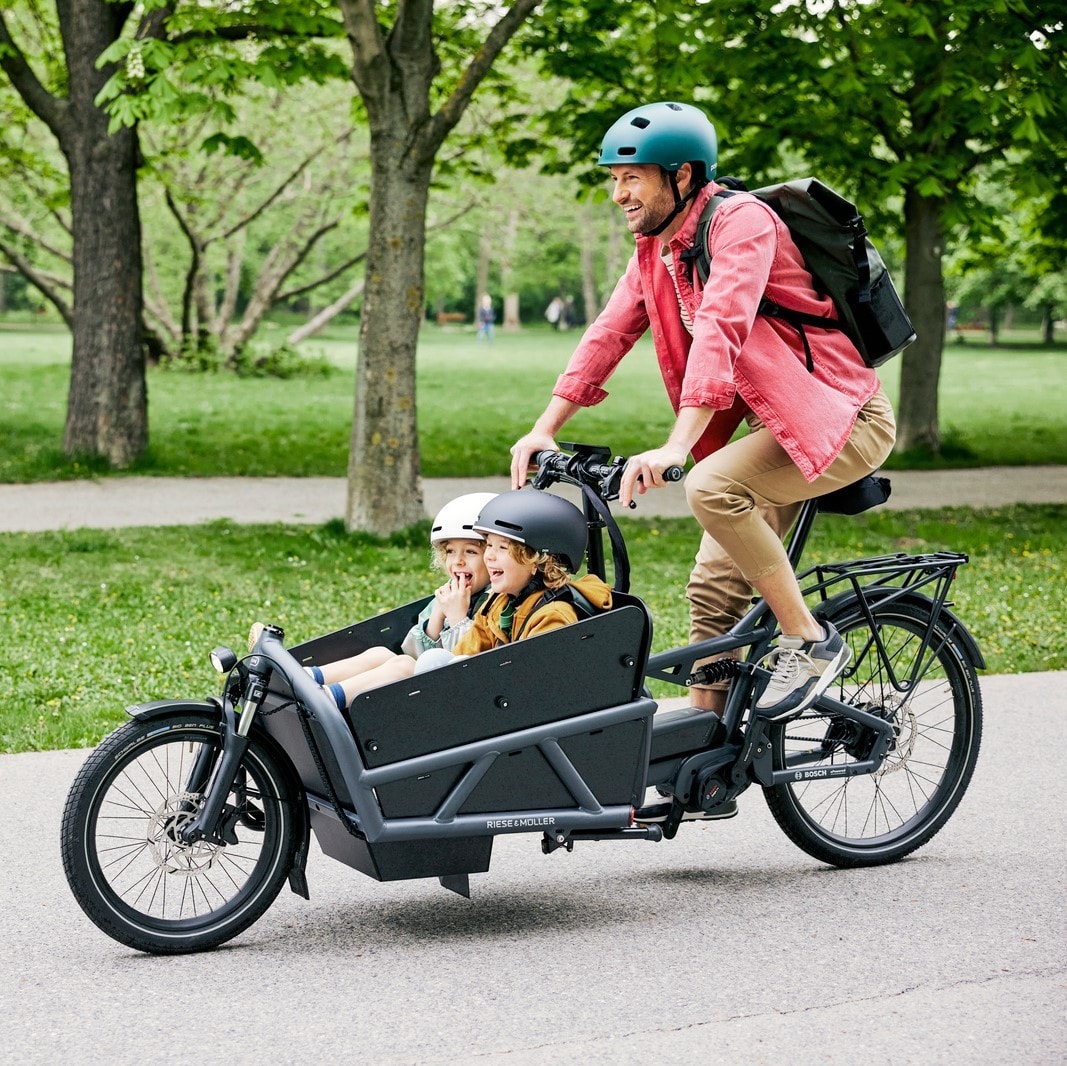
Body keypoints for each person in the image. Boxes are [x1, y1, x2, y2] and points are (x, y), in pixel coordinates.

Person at [510, 101, 896, 720]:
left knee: (712, 487)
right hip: (774, 427)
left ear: (682, 175)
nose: (619, 194)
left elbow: (722, 329)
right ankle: (702, 748)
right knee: (712, 592)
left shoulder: (743, 223)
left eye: (632, 177)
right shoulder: (656, 250)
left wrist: (677, 446)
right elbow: (609, 333)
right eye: (613, 178)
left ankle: (812, 643)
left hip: (843, 418)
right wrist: (544, 428)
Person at [250, 493, 496, 711]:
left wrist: (457, 619)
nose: (458, 561)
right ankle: (302, 678)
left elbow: (465, 664)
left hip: (452, 700)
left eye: (471, 552)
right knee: (381, 653)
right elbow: (415, 652)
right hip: (428, 682)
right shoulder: (447, 596)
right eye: (451, 552)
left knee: (403, 666)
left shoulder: (492, 602)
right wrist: (437, 617)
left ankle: (324, 700)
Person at [440, 488, 613, 656]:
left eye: (502, 547)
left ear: (537, 561)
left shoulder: (552, 616)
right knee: (430, 660)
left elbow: (537, 677)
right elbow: (463, 657)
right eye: (489, 545)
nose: (489, 556)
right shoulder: (496, 604)